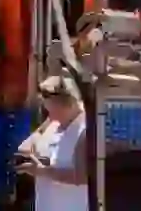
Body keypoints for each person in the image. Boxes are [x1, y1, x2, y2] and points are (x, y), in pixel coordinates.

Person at [16, 76, 89, 209]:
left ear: (70, 104)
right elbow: (24, 148)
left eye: (53, 109)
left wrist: (44, 171)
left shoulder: (84, 130)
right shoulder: (52, 123)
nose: (51, 115)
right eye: (47, 109)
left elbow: (82, 177)